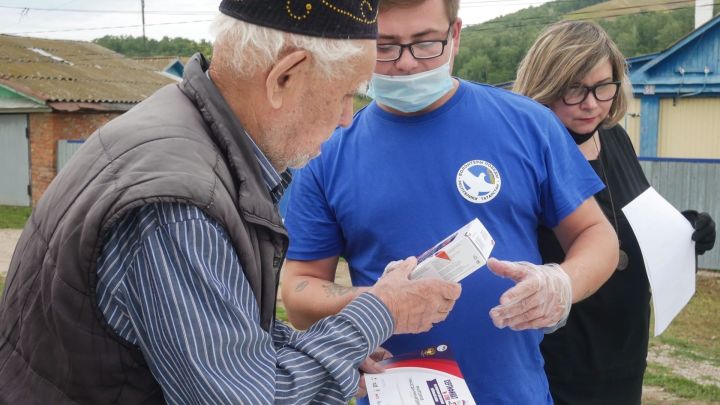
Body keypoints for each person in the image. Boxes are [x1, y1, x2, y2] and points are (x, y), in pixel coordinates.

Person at [0, 1, 464, 404]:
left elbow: (221, 333)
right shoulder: (179, 203)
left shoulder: (177, 128)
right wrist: (378, 312)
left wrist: (336, 348)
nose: (347, 119)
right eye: (344, 94)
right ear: (285, 76)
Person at [279, 0, 621, 402]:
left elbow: (596, 235)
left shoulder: (528, 123)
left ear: (455, 35)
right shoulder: (327, 151)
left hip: (514, 392)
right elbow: (299, 290)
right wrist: (376, 303)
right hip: (397, 391)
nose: (406, 64)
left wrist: (562, 283)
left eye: (425, 44)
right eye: (384, 47)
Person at [514, 20, 716, 404]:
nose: (591, 104)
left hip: (623, 350)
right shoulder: (526, 156)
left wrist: (686, 229)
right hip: (560, 358)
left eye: (602, 87)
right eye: (574, 89)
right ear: (545, 85)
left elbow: (634, 215)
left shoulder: (614, 138)